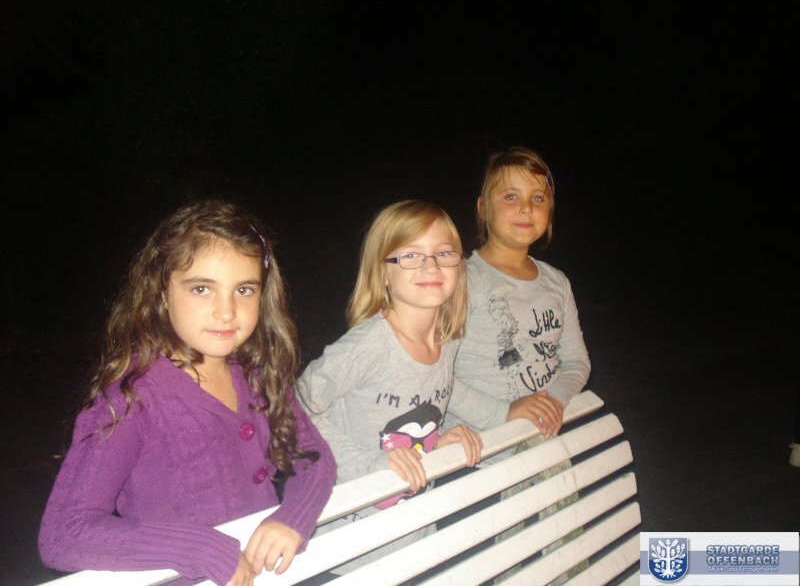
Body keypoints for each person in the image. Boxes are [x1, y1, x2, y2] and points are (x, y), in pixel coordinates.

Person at [38, 199, 336, 586]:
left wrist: (292, 518)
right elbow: (64, 534)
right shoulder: (131, 398)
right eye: (201, 288)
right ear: (161, 292)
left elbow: (313, 456)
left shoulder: (257, 373)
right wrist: (200, 548)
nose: (226, 311)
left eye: (244, 289)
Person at [298, 200, 482, 577]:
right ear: (383, 272)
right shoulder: (369, 345)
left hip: (412, 537)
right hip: (345, 550)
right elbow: (295, 408)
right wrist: (368, 464)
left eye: (443, 253)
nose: (431, 265)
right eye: (411, 255)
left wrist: (443, 437)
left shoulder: (448, 343)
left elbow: (414, 416)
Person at [444, 146, 591, 583]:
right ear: (482, 208)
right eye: (510, 196)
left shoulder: (556, 282)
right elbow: (433, 375)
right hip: (478, 463)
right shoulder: (459, 279)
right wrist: (504, 411)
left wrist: (552, 403)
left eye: (537, 198)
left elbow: (576, 362)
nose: (526, 208)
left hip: (543, 455)